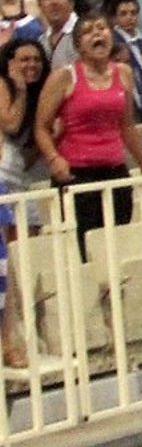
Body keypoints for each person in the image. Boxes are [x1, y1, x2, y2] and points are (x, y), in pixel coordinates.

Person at [34, 13, 142, 256]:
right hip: (76, 175)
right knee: (82, 252)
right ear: (78, 45)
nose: (97, 33)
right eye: (88, 31)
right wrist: (54, 159)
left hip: (115, 172)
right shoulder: (64, 76)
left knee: (117, 246)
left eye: (102, 28)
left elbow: (127, 126)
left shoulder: (123, 73)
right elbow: (41, 127)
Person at [0, 37, 49, 367]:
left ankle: (26, 336)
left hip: (21, 181)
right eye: (22, 60)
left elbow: (31, 146)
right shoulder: (6, 86)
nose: (29, 66)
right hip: (1, 179)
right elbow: (10, 123)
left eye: (35, 60)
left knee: (22, 262)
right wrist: (18, 88)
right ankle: (10, 343)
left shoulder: (41, 93)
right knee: (5, 269)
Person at [109, 0, 142, 121]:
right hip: (128, 98)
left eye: (133, 13)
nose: (130, 18)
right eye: (123, 14)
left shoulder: (141, 38)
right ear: (114, 18)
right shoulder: (113, 42)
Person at [36, 0, 77, 70]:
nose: (53, 2)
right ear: (40, 6)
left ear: (71, 2)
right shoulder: (41, 42)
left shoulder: (84, 34)